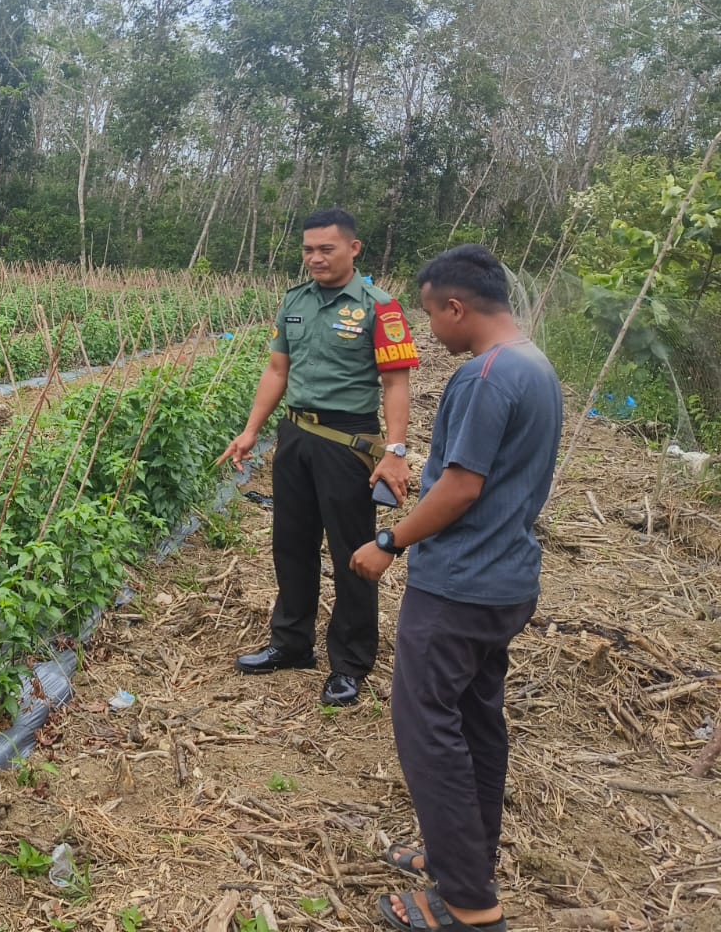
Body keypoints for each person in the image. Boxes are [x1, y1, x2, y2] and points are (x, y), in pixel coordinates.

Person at [349, 244, 561, 932]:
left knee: (427, 727)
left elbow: (463, 488)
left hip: (460, 585)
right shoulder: (535, 365)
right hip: (504, 578)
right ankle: (465, 853)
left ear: (456, 306)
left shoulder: (486, 376)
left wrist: (389, 541)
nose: (429, 330)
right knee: (474, 721)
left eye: (430, 314)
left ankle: (469, 902)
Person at [217, 208, 418, 707]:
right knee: (290, 543)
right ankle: (291, 643)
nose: (315, 258)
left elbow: (396, 383)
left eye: (326, 248)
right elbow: (277, 369)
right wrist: (250, 431)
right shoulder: (294, 302)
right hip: (296, 435)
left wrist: (395, 451)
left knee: (352, 552)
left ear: (354, 249)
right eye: (308, 249)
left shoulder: (379, 308)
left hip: (347, 441)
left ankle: (349, 663)